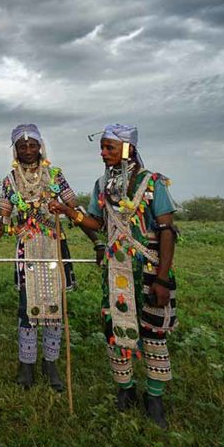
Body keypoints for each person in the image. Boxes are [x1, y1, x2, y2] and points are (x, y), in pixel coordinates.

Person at [50, 124, 178, 429]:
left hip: (149, 269)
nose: (103, 153)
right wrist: (70, 213)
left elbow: (167, 232)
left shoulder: (153, 183)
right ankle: (125, 391)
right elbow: (96, 222)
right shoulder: (102, 185)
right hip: (116, 271)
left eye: (110, 147)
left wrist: (161, 279)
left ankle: (155, 398)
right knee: (116, 328)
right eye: (102, 148)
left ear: (128, 148)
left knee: (152, 332)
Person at [0, 124, 97, 391]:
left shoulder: (55, 175)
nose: (28, 150)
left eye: (32, 145)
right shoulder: (11, 180)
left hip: (54, 248)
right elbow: (2, 219)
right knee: (26, 309)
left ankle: (50, 364)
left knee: (54, 309)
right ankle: (26, 364)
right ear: (15, 150)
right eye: (22, 146)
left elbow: (74, 209)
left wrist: (97, 243)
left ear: (40, 147)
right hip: (26, 251)